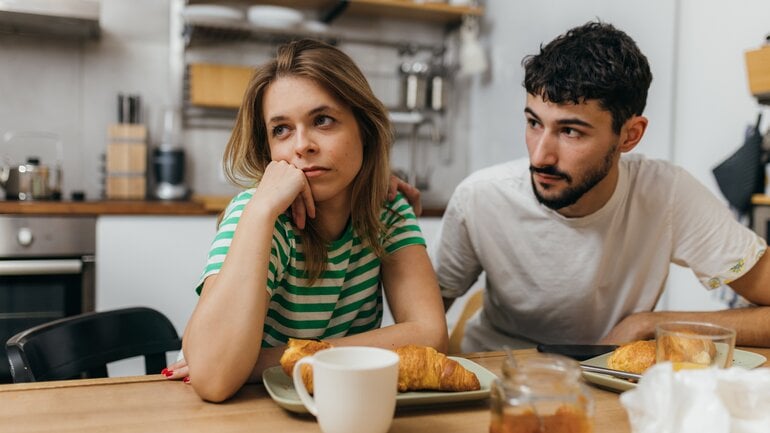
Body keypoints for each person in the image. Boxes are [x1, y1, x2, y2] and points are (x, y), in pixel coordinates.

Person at [435, 21, 770, 353]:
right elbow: (421, 327)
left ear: (630, 135)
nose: (540, 156)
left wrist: (650, 325)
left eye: (570, 131)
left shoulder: (666, 194)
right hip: (496, 380)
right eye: (534, 123)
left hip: (605, 384)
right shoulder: (480, 198)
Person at [165, 39, 447, 402]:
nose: (302, 145)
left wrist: (264, 361)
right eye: (281, 129)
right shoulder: (260, 216)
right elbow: (214, 380)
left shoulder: (387, 210)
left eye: (323, 120)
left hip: (341, 403)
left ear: (364, 127)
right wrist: (260, 210)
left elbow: (432, 334)